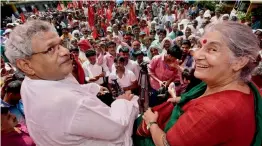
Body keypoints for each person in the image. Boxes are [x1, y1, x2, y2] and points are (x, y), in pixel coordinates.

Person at [5, 20, 139, 146]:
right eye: (50, 49)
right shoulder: (68, 102)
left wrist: (92, 88)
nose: (65, 51)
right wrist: (123, 102)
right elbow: (117, 127)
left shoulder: (29, 83)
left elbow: (65, 88)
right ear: (26, 65)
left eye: (60, 45)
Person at [134, 21, 262, 146]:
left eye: (212, 49)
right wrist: (182, 99)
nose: (196, 55)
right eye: (200, 46)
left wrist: (151, 123)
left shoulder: (213, 111)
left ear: (239, 62)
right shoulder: (241, 85)